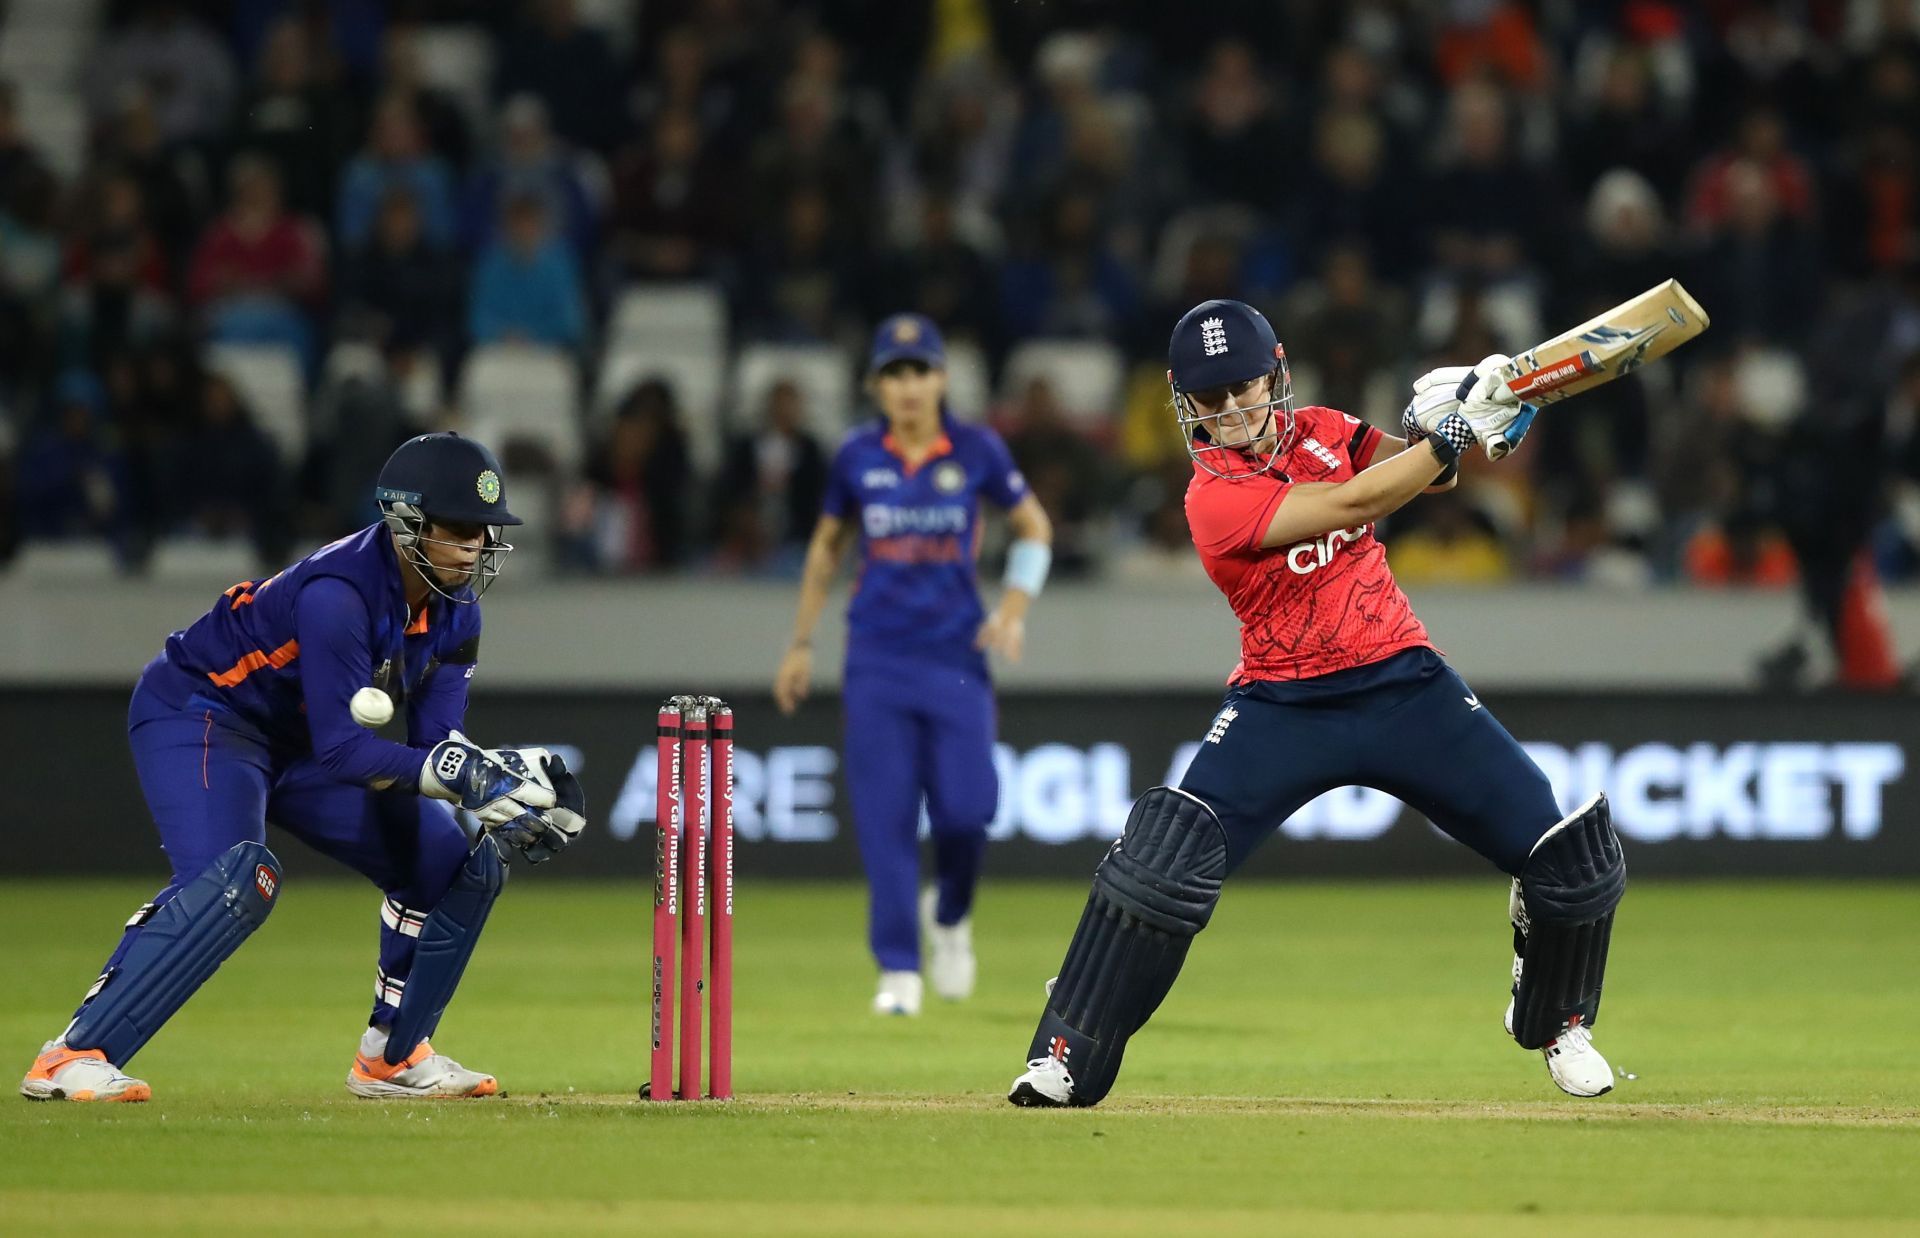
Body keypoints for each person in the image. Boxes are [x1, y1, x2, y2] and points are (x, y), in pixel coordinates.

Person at [1007, 299, 1624, 1107]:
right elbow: (1354, 505)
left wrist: (1469, 414)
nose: (1230, 410)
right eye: (1210, 397)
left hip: (1405, 684)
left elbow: (1421, 473)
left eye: (1244, 387)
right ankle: (1066, 1053)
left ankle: (1559, 1025)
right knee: (1157, 869)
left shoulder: (1330, 429)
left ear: (1276, 373)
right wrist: (1450, 436)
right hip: (1281, 705)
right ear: (1183, 402)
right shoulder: (1210, 499)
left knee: (1566, 859)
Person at [19, 433, 586, 1103]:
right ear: (406, 524)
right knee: (237, 879)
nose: (475, 549)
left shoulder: (457, 609)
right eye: (459, 531)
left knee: (461, 859)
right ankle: (73, 1054)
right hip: (206, 713)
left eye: (484, 532)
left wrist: (506, 795)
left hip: (308, 742)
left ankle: (393, 1056)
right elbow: (350, 753)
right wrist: (467, 777)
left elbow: (435, 746)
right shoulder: (339, 594)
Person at [774, 314, 1053, 1016]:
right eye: (893, 374)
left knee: (967, 813)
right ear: (876, 385)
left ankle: (951, 917)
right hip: (877, 659)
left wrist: (1014, 608)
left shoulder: (978, 448)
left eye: (918, 371)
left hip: (958, 656)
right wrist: (802, 642)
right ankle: (898, 970)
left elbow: (1035, 527)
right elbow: (826, 549)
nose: (907, 387)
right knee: (886, 818)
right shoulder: (855, 456)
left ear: (941, 379)